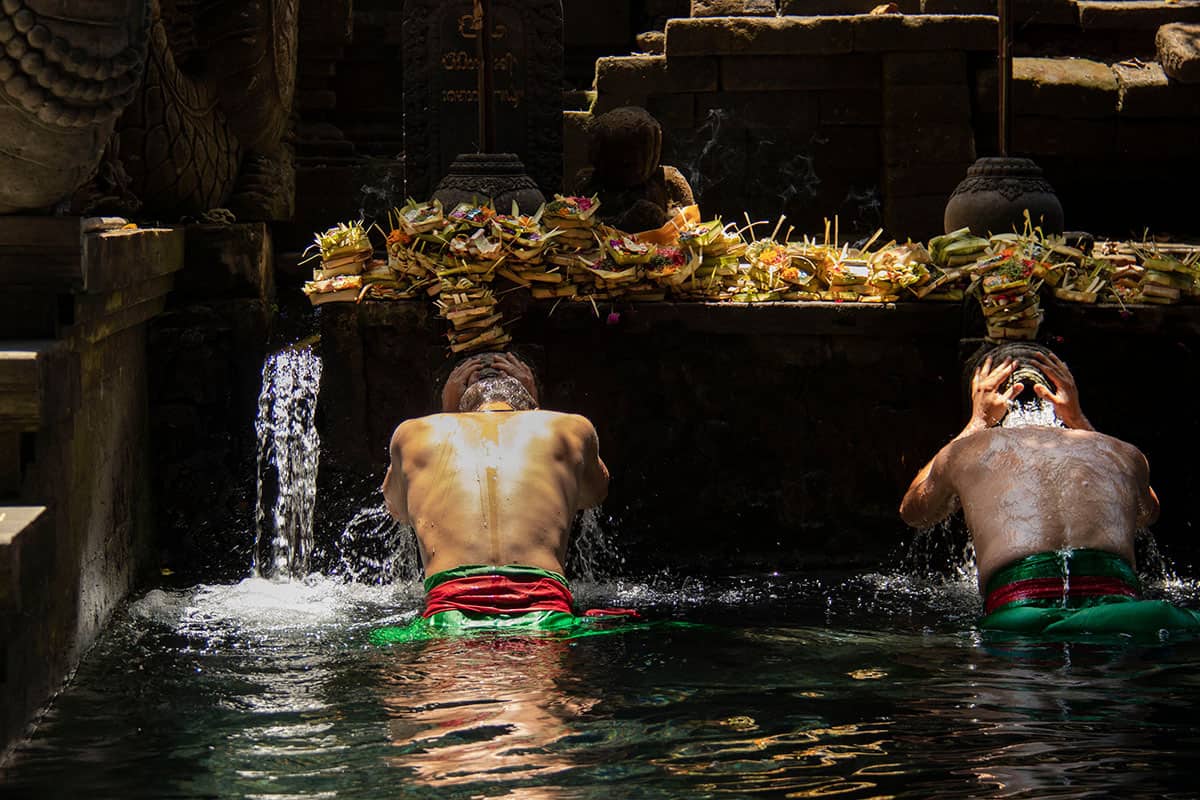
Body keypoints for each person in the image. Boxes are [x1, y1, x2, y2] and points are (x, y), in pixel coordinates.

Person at [899, 343, 1200, 636]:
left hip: (1020, 618)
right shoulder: (1121, 453)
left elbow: (913, 512)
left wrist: (975, 423)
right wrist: (1078, 420)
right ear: (1062, 399)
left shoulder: (967, 451)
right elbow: (1147, 514)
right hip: (1124, 615)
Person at [374, 351, 639, 643]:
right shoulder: (570, 428)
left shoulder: (414, 433)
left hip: (449, 617)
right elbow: (593, 494)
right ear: (528, 394)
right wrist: (535, 414)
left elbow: (397, 508)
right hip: (545, 615)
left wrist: (449, 416)